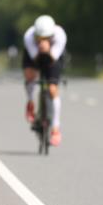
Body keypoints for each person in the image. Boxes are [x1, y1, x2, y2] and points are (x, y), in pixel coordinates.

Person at [23, 15, 67, 147]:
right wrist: (40, 50)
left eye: (47, 38)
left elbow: (53, 59)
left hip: (53, 56)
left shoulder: (60, 35)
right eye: (40, 38)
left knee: (52, 89)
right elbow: (35, 59)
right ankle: (30, 102)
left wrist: (47, 49)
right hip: (34, 56)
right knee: (30, 77)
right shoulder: (29, 36)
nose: (43, 40)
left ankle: (55, 129)